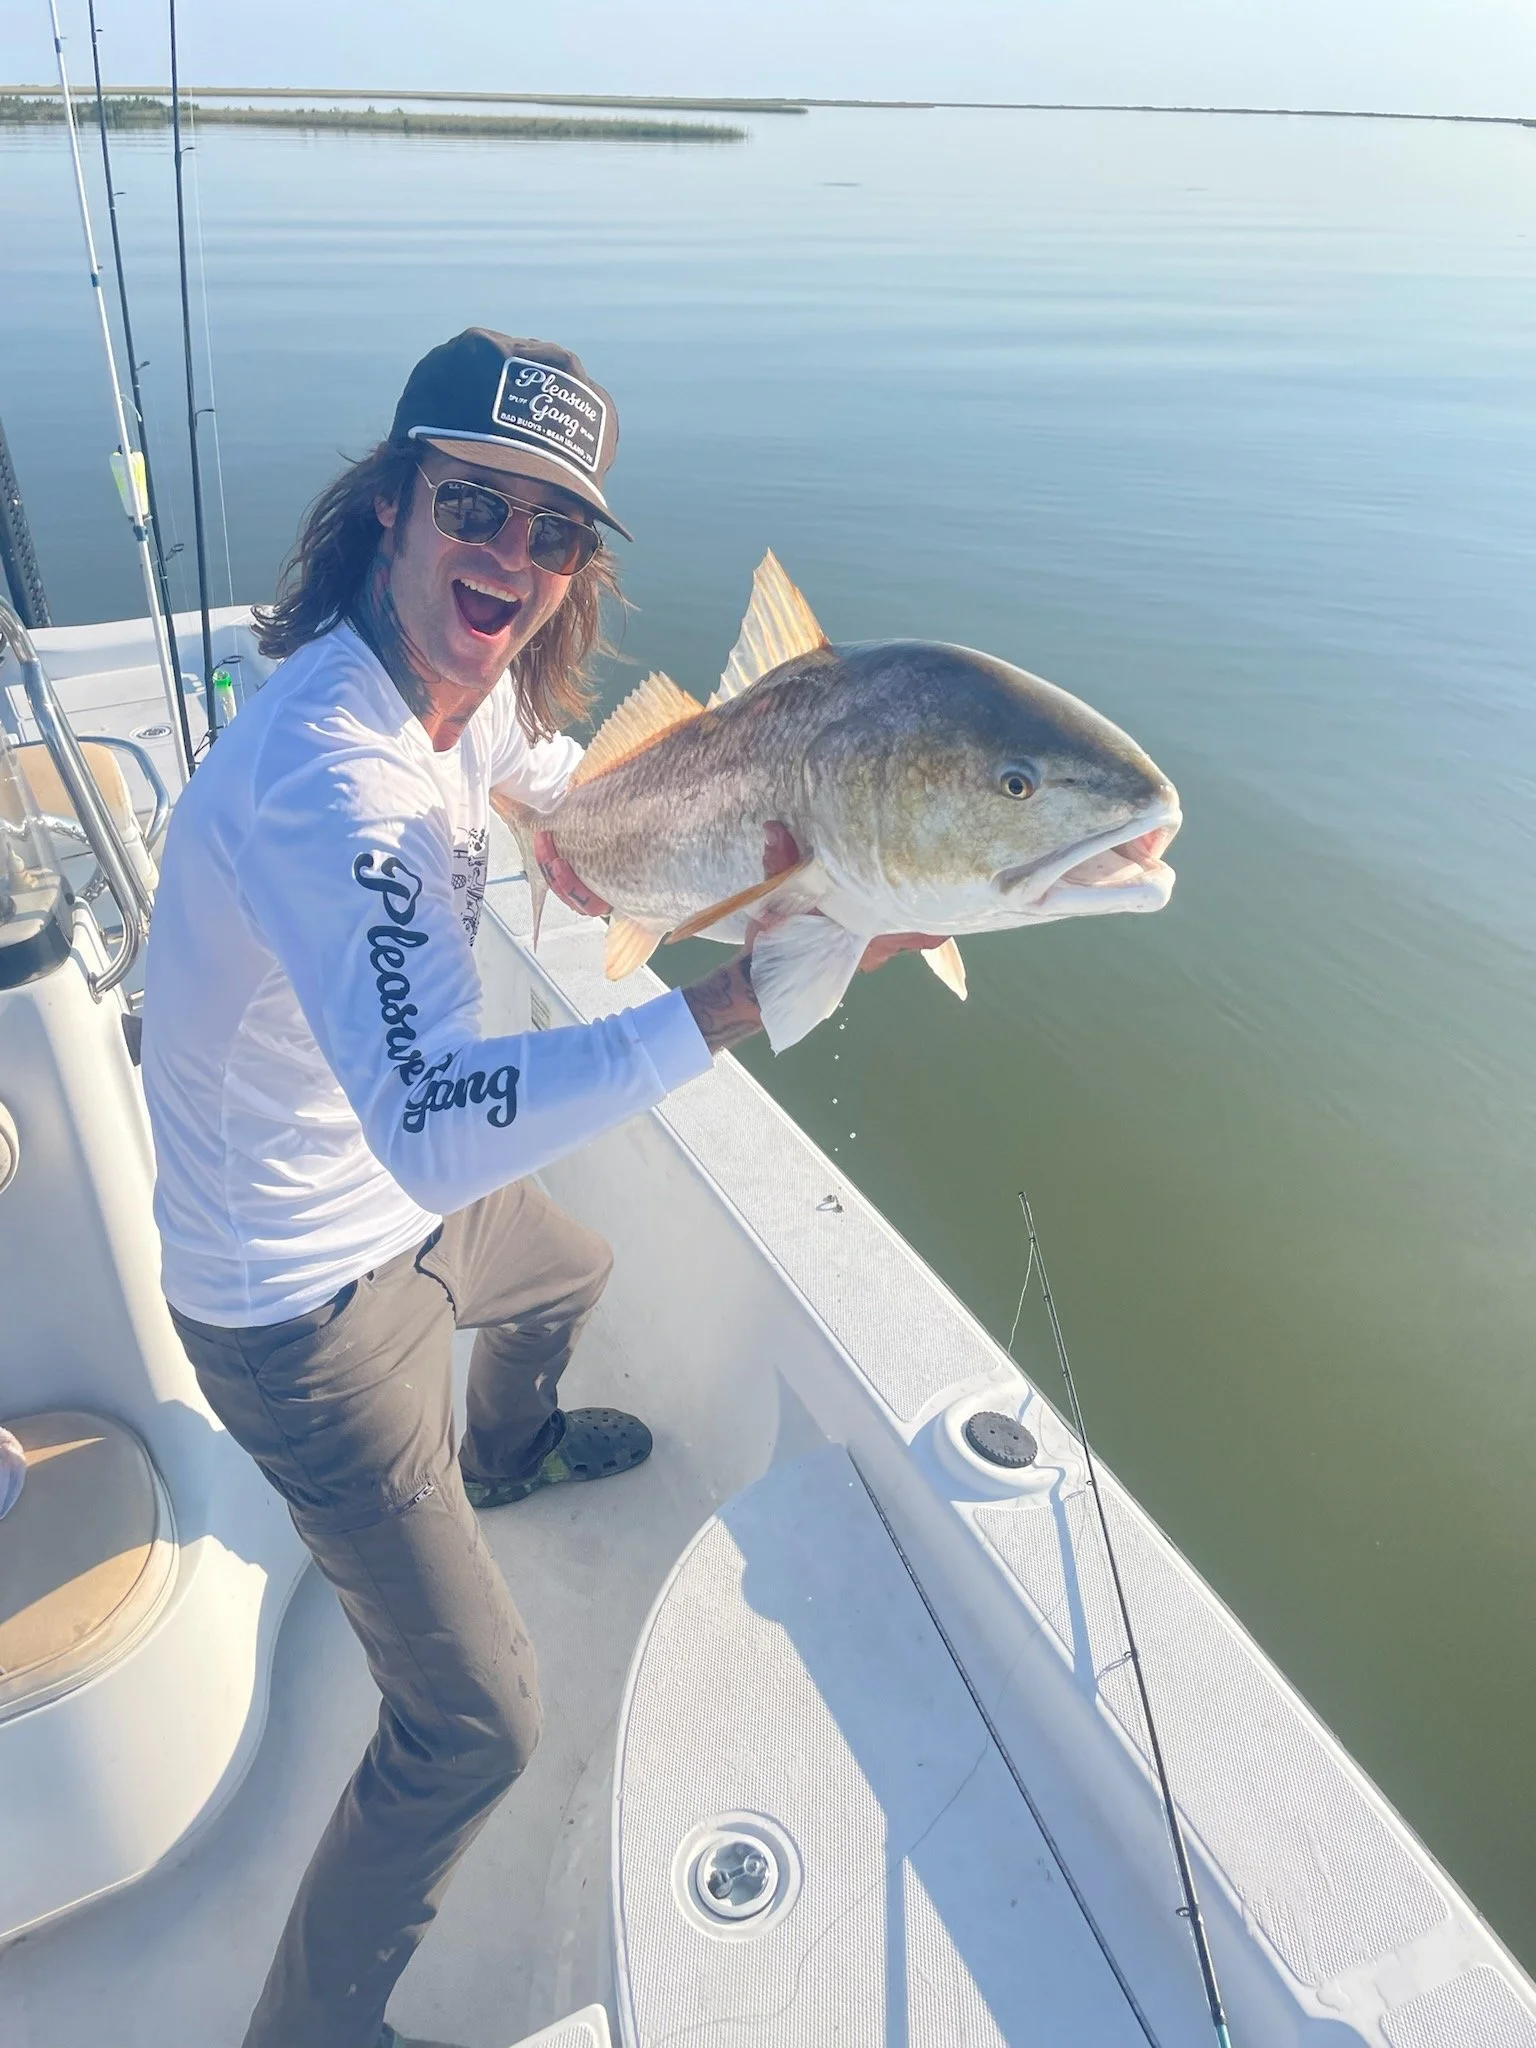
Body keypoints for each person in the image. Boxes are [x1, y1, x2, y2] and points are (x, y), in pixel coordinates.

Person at [140, 328, 938, 2048]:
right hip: (293, 1301)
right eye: (473, 505)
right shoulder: (327, 776)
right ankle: (309, 2030)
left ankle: (503, 1455)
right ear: (391, 509)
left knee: (566, 1270)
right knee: (478, 1725)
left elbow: (562, 796)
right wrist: (728, 997)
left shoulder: (459, 694)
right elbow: (434, 1119)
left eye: (554, 530)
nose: (509, 558)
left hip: (398, 1212)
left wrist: (797, 856)